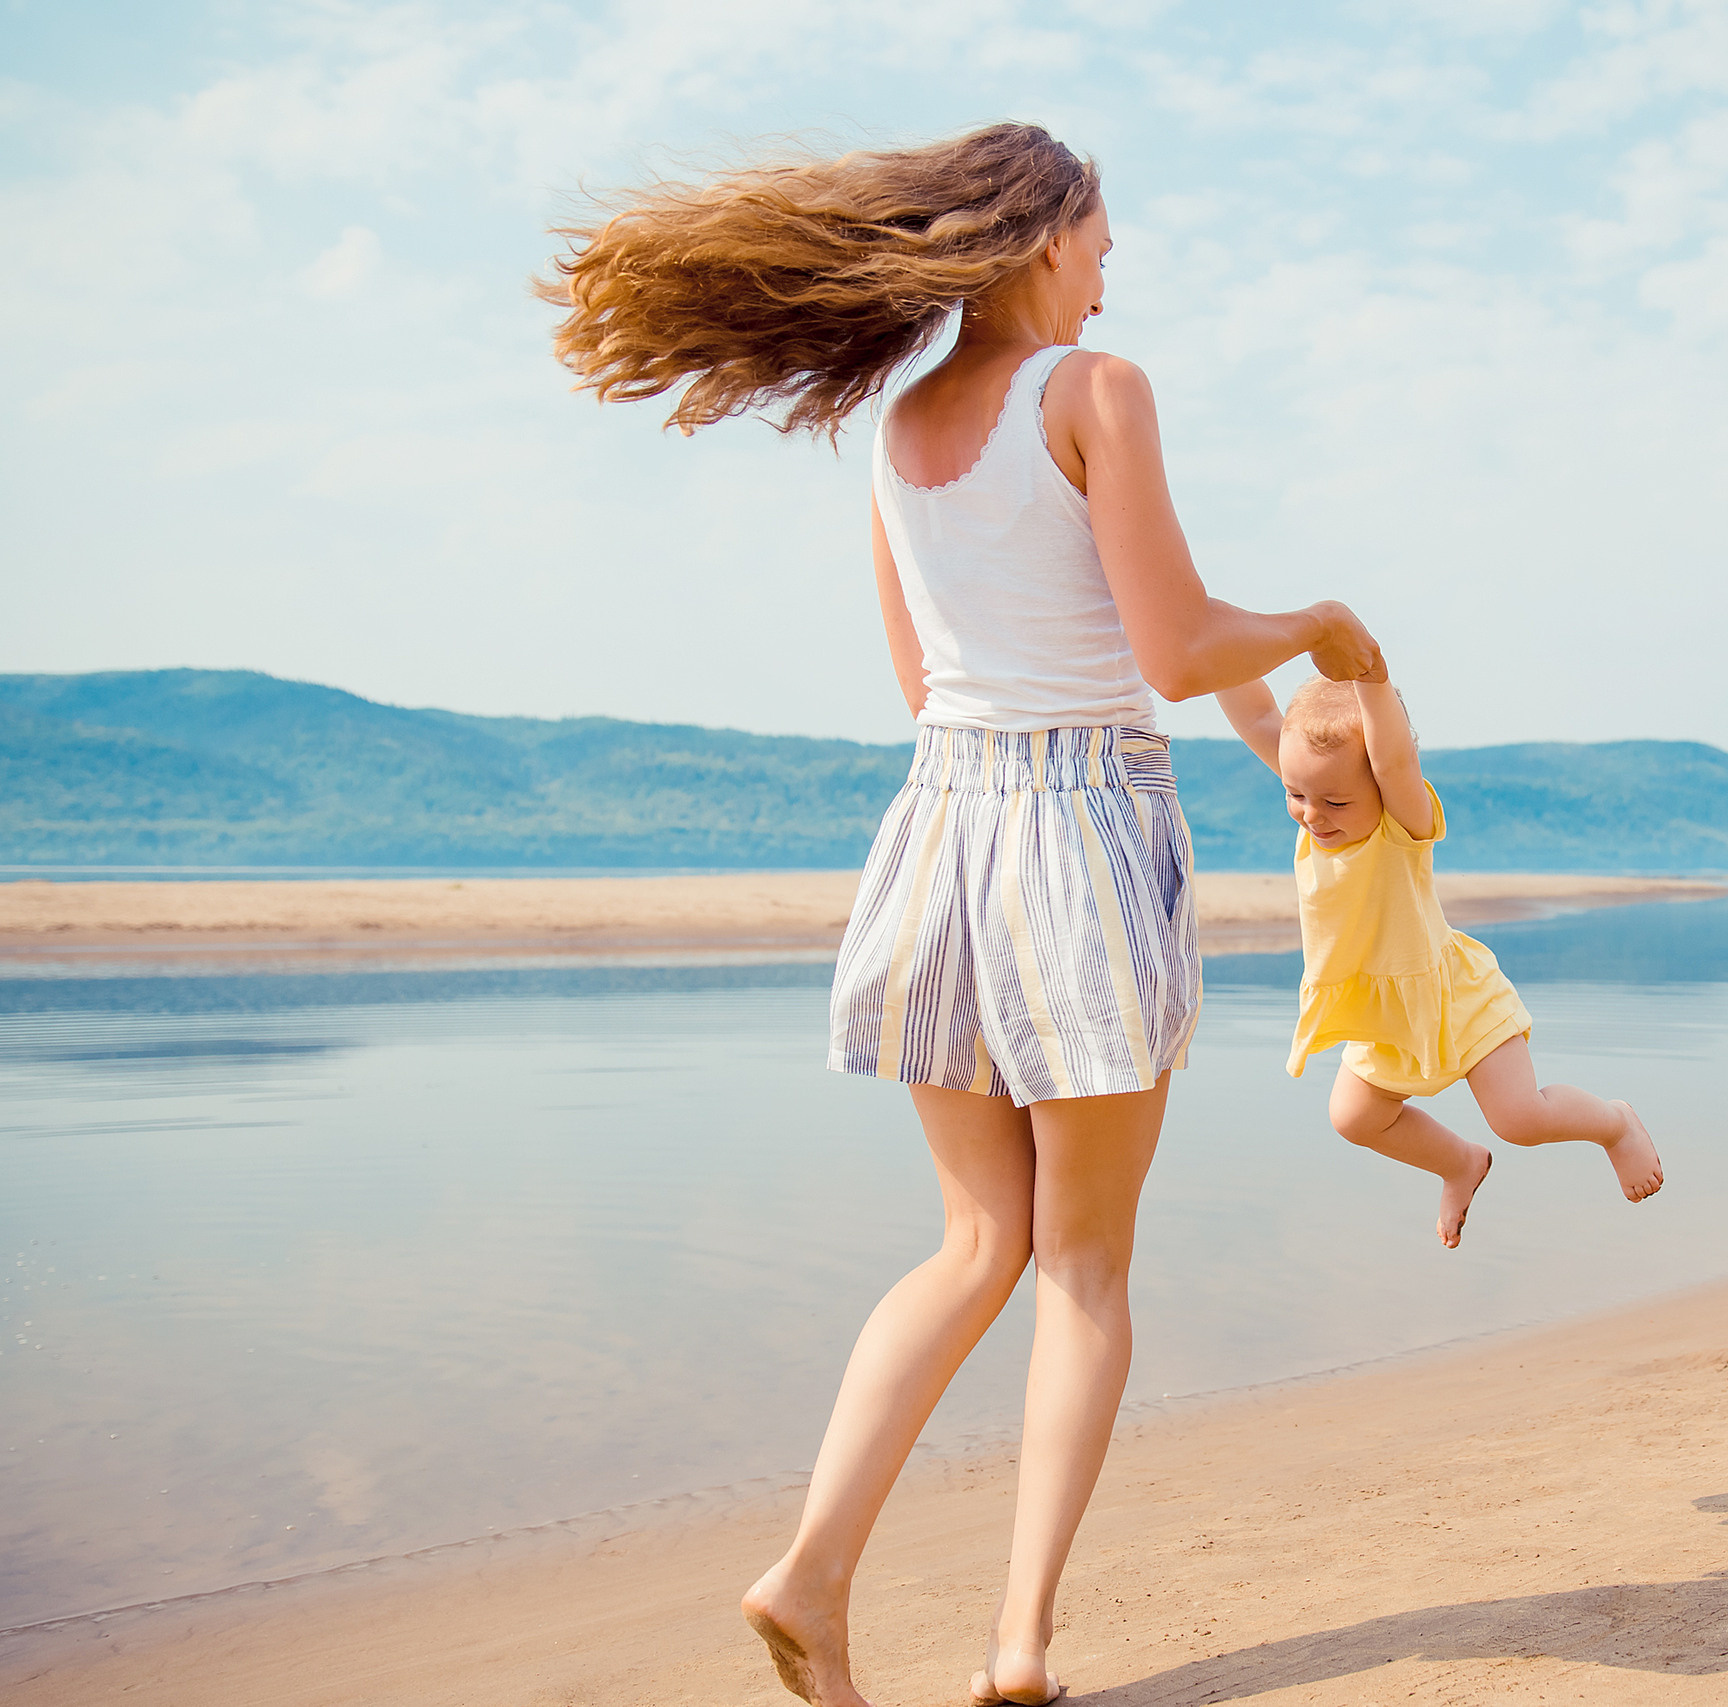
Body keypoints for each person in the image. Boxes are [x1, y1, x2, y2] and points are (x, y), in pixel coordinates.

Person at [541, 123, 1382, 1707]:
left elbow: (928, 678)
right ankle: (1017, 1643)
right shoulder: (1097, 392)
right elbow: (1182, 638)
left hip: (941, 833)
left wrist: (1231, 717)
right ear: (1039, 233)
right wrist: (1326, 623)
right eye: (1102, 239)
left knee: (973, 1242)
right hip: (1081, 837)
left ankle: (812, 1566)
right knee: (1083, 1269)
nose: (1113, 269)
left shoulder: (898, 422)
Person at [1214, 671, 1664, 1248]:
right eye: (1295, 795)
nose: (1311, 814)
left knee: (1520, 1121)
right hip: (1381, 1013)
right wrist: (1220, 646)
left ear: (1379, 783)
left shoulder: (1401, 821)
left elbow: (1396, 760)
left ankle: (1615, 1123)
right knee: (1353, 1119)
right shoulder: (1319, 795)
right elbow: (1255, 716)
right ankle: (1458, 1164)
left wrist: (1369, 672)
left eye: (1334, 801)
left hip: (1455, 997)